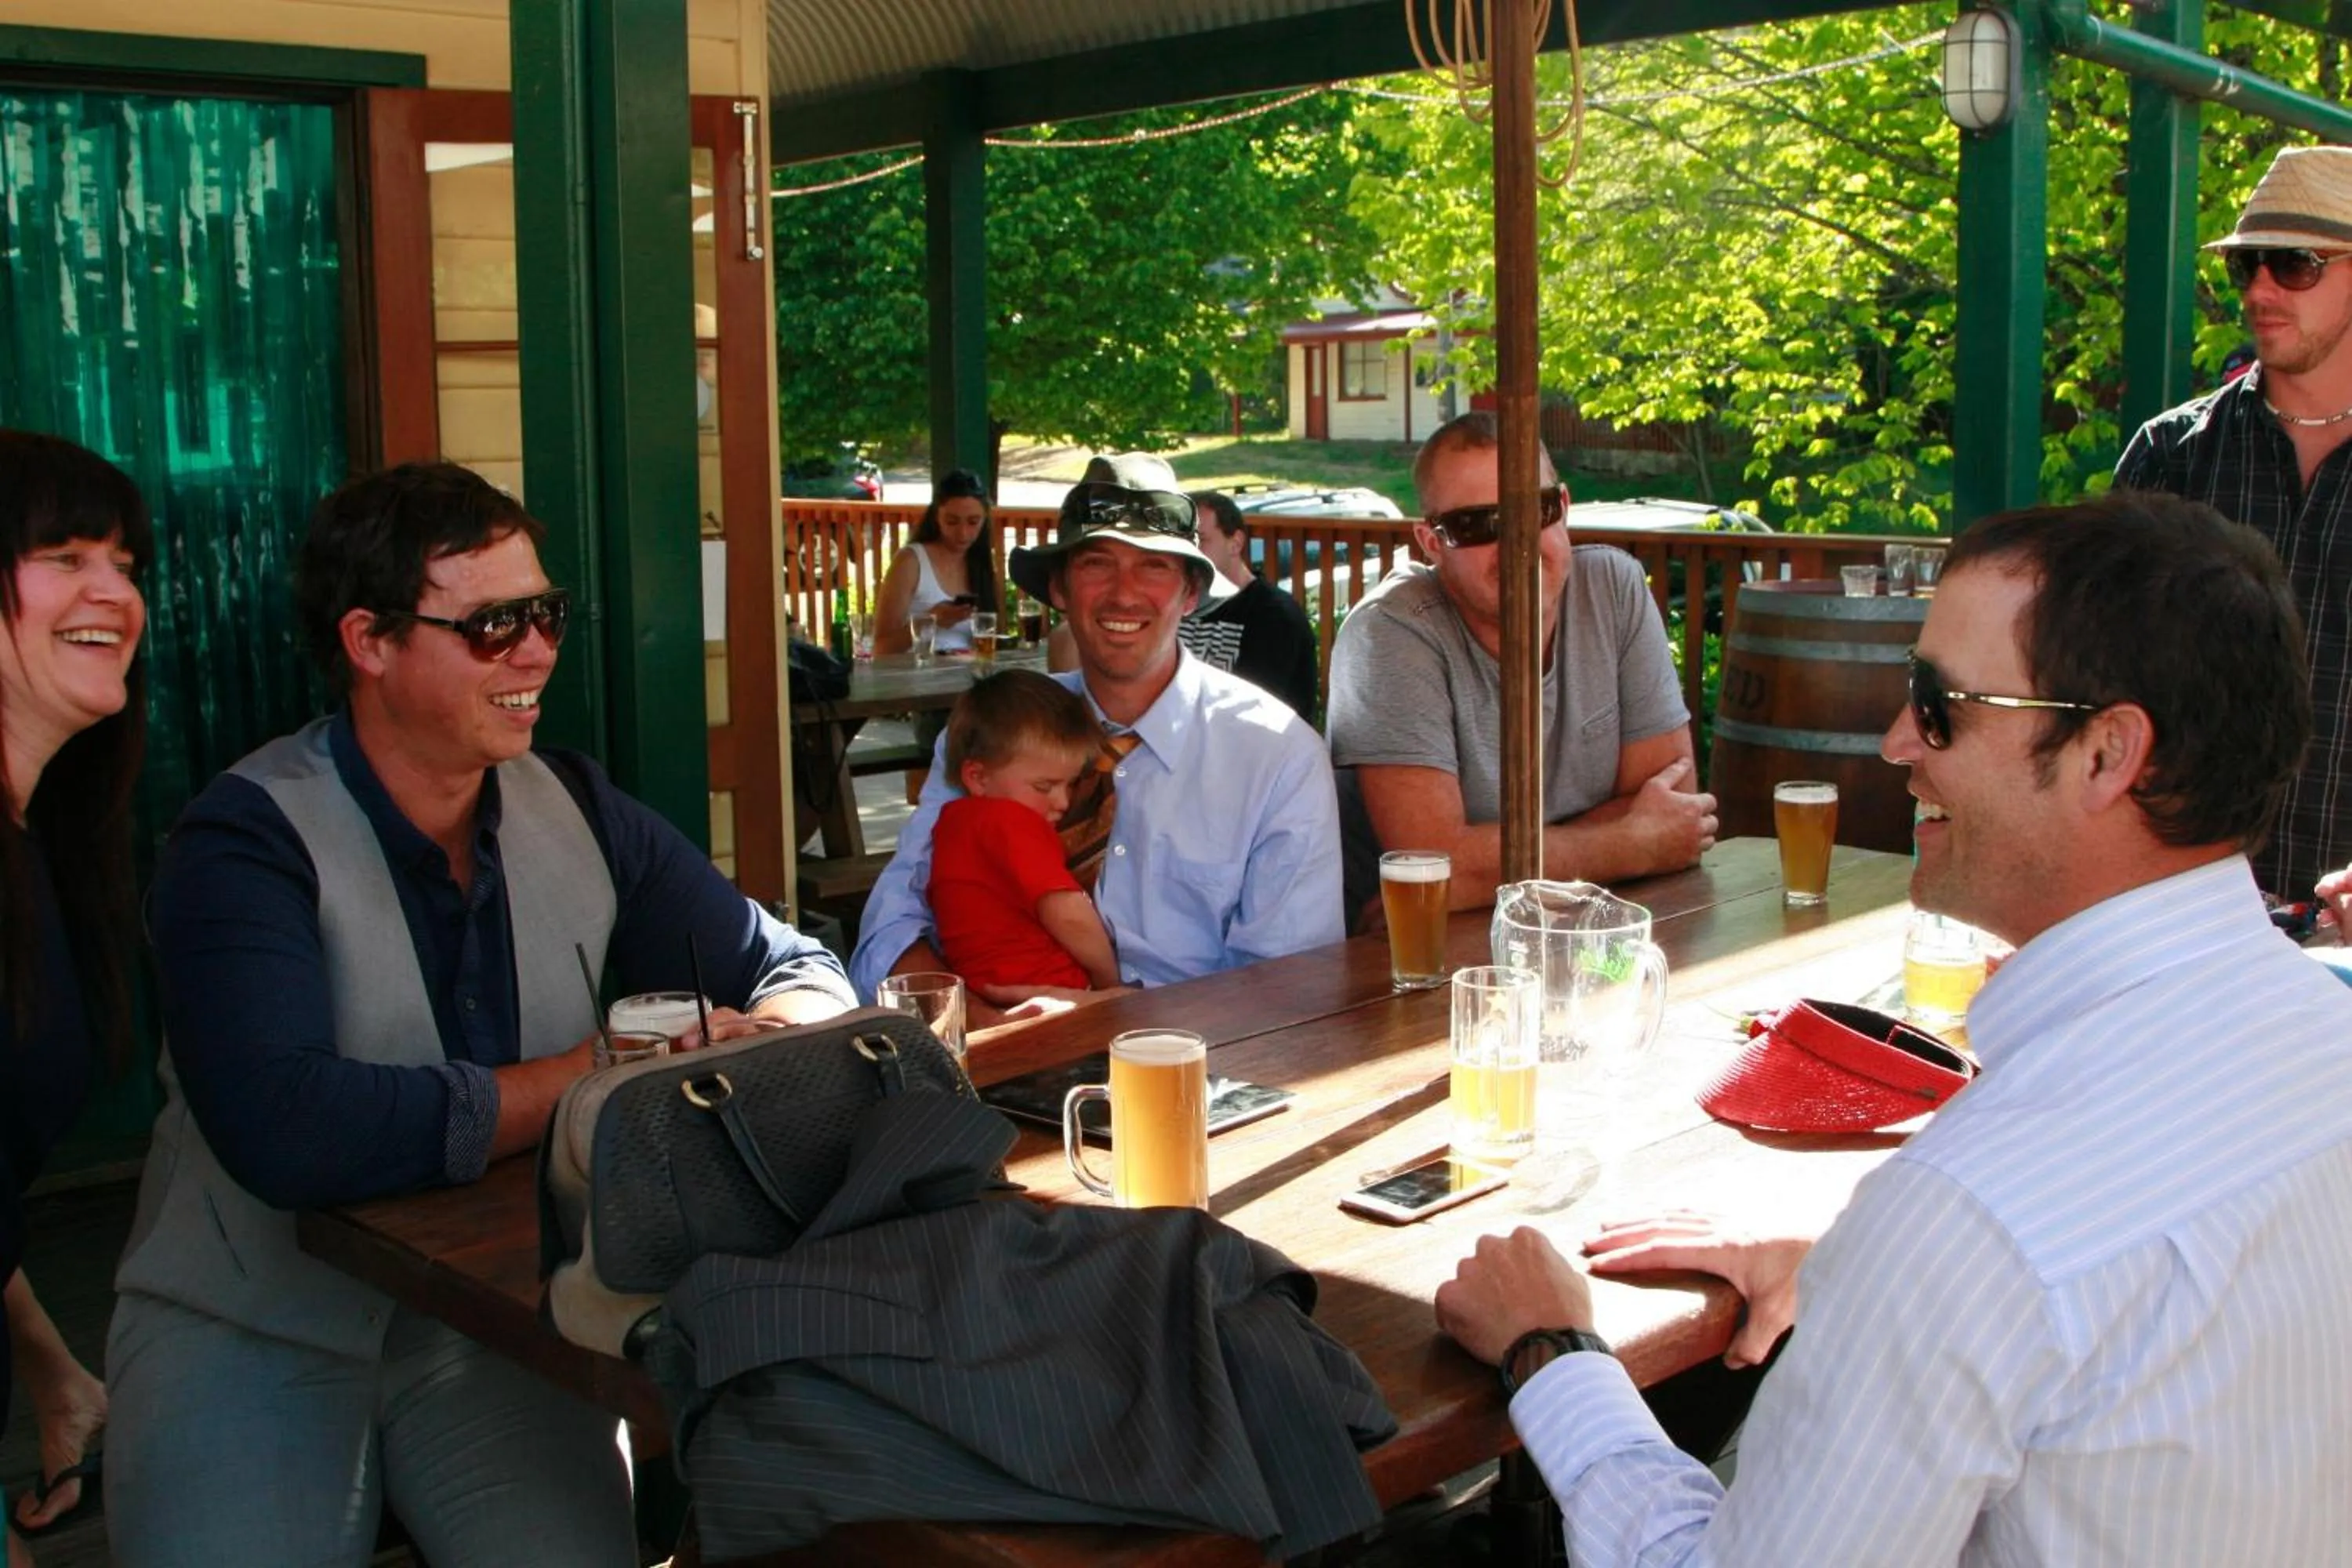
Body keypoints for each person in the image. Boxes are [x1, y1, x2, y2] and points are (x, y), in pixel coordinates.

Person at [1434, 490, 2352, 1566]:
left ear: (2108, 754)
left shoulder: (1971, 1220)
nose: (1895, 741)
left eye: (1939, 702)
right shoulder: (2320, 1037)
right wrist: (1849, 1274)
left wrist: (1556, 1351)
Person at [104, 462, 857, 1566]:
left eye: (544, 613)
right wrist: (600, 1070)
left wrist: (776, 1037)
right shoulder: (244, 842)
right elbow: (288, 1127)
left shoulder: (580, 806)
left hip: (492, 1324)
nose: (539, 651)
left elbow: (788, 961)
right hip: (252, 1325)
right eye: (495, 624)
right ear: (369, 641)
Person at [852, 456, 1342, 1017]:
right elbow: (891, 918)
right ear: (1059, 588)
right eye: (1096, 564)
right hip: (987, 1048)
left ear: (1188, 595)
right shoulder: (995, 731)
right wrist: (974, 1027)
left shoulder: (1277, 755)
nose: (1123, 594)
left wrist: (1109, 1022)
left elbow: (1289, 988)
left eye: (1154, 566)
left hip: (1194, 1067)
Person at [1325, 412, 1714, 921]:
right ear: (1431, 542)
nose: (1516, 544)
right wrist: (1627, 846)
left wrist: (1490, 867)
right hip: (1414, 959)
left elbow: (1675, 806)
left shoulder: (1612, 591)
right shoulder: (1392, 632)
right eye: (1478, 525)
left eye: (1536, 509)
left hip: (1585, 931)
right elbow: (1434, 868)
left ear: (1565, 507)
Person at [2115, 144, 2352, 904]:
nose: (2260, 288)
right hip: (2178, 908)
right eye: (2244, 266)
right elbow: (2089, 679)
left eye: (2294, 263)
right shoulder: (2170, 456)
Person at [0, 431, 144, 1568]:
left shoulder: (38, 841)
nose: (113, 591)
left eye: (125, 560)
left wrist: (50, 1367)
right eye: (61, 553)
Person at [930, 669, 1121, 991]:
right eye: (1044, 786)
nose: (1062, 802)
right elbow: (1068, 915)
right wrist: (1110, 984)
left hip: (987, 989)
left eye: (1070, 784)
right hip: (1051, 990)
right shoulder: (1008, 822)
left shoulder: (953, 823)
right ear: (978, 777)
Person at [1177, 491, 1322, 721]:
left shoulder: (1275, 617)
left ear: (1236, 543)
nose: (1188, 551)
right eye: (1181, 541)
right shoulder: (1174, 605)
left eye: (1199, 540)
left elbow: (1252, 718)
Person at [874, 466, 993, 655]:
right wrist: (932, 620)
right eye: (952, 522)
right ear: (936, 517)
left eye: (973, 522)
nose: (963, 533)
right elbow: (881, 647)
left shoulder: (980, 563)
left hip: (967, 673)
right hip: (917, 676)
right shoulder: (911, 561)